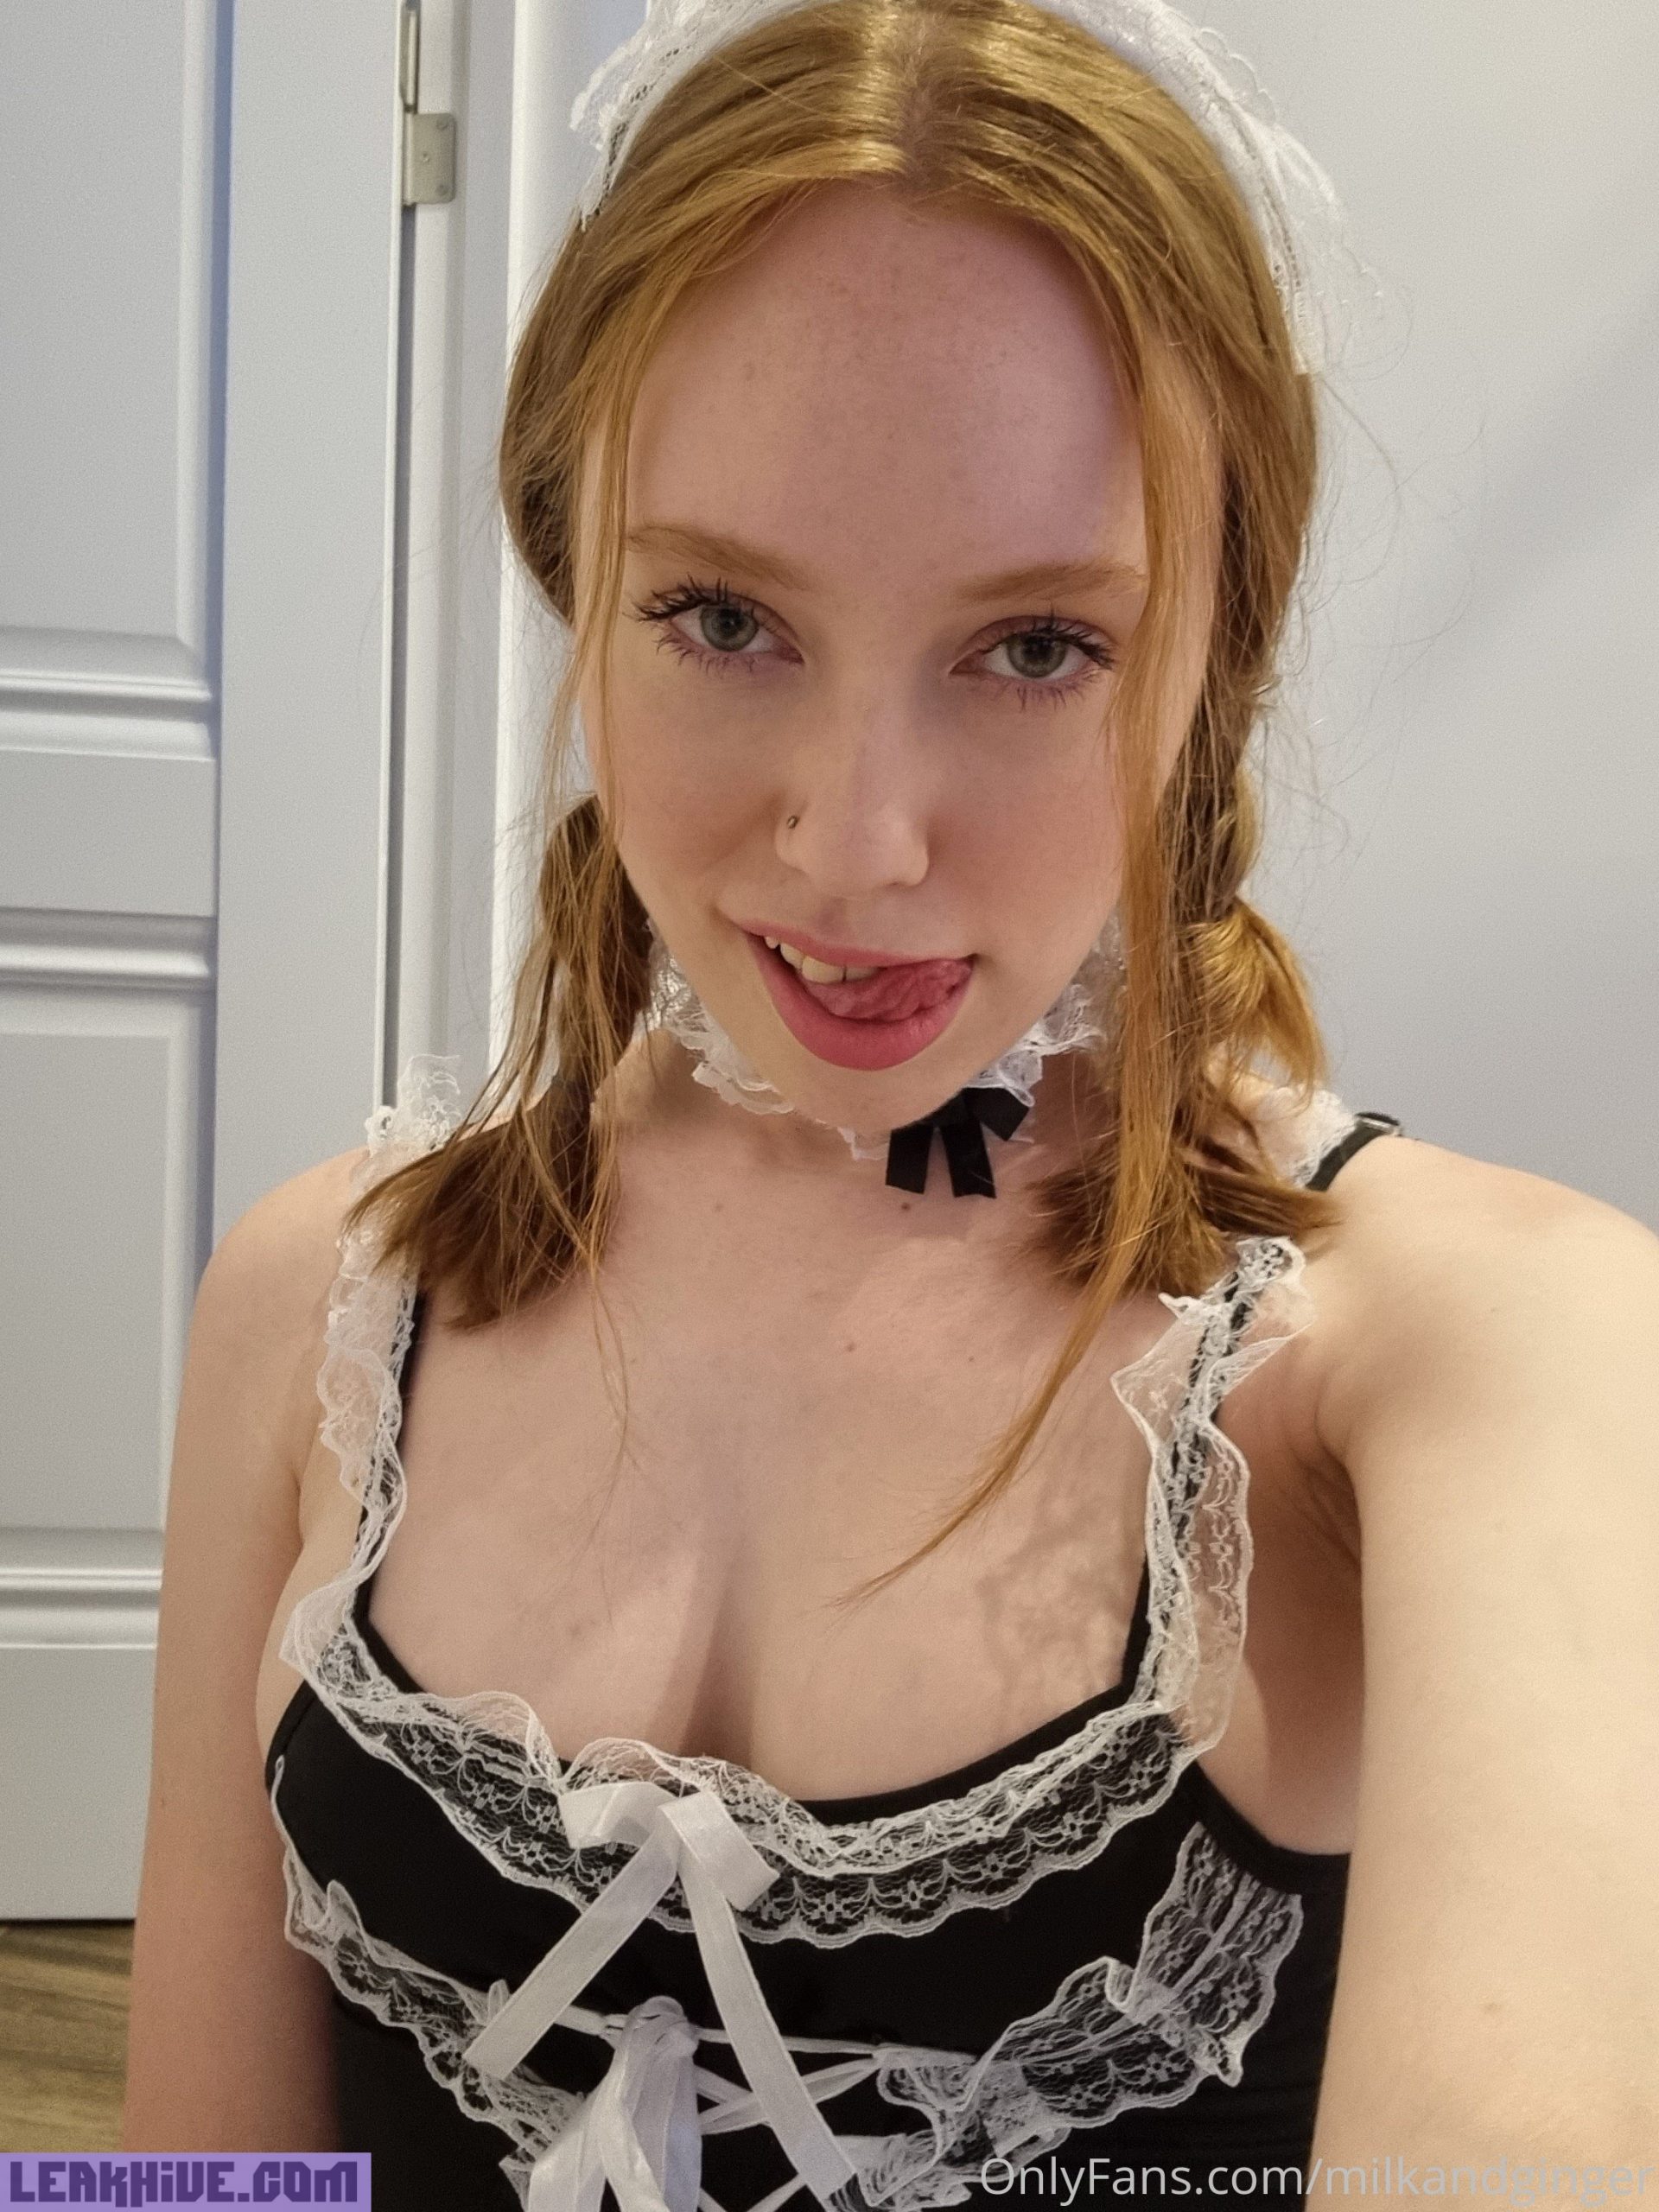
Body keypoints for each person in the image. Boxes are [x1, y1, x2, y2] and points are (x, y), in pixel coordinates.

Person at [121, 0, 1659, 2201]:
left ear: (1211, 662)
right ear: (577, 580)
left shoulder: (1495, 1346)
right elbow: (195, 2172)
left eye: (1035, 647)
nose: (855, 841)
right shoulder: (316, 1306)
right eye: (722, 616)